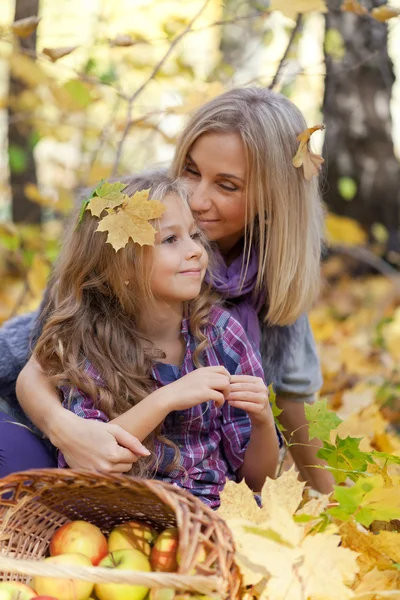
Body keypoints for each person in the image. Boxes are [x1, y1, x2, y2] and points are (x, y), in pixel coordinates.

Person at [3, 87, 333, 492]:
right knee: (19, 476)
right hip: (46, 417)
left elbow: (293, 402)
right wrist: (66, 431)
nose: (195, 199)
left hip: (171, 471)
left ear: (272, 200)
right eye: (191, 171)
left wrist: (339, 513)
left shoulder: (269, 277)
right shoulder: (133, 223)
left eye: (226, 186)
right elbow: (40, 366)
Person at [22, 175, 279, 508]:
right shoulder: (91, 345)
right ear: (123, 265)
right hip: (124, 514)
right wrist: (166, 399)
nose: (196, 251)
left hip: (216, 516)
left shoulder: (221, 335)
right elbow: (98, 462)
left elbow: (257, 481)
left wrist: (263, 421)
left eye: (195, 235)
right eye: (171, 239)